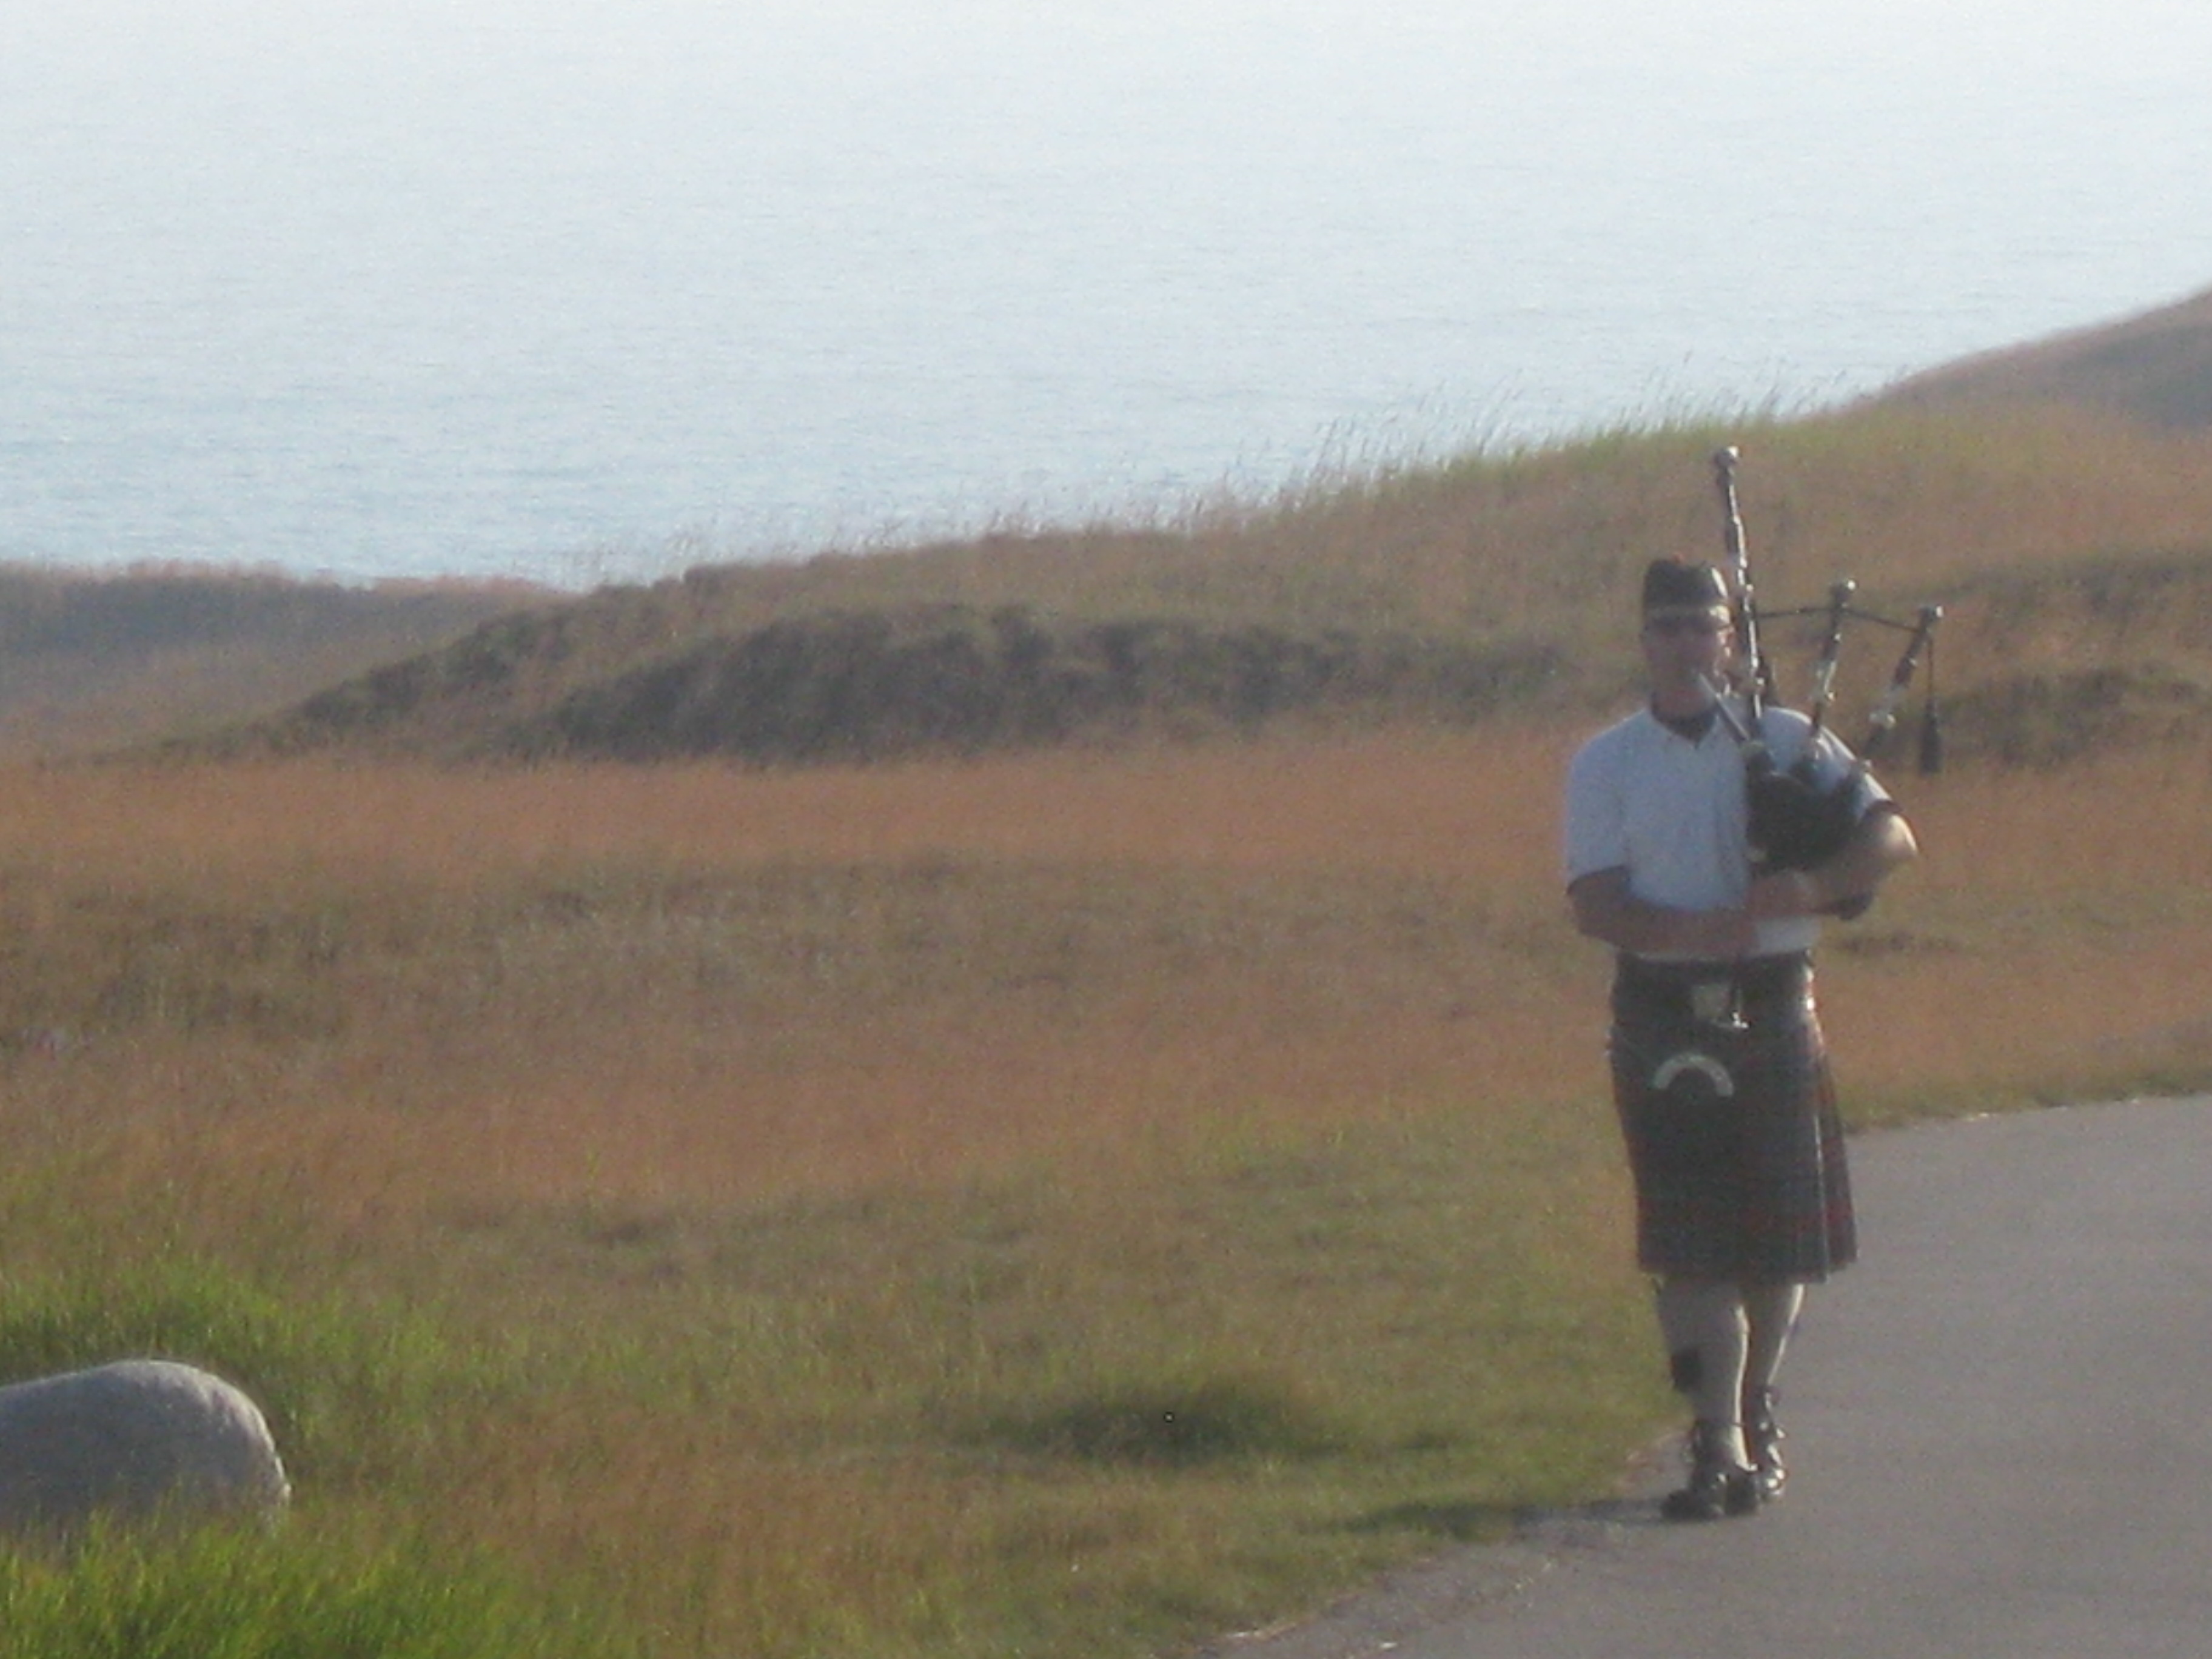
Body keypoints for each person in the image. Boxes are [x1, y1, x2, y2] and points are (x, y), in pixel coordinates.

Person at [1561, 557, 1919, 1521]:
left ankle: (1756, 1412)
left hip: (1774, 1001)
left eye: (1703, 626)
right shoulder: (1606, 762)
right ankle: (1713, 1437)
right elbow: (1595, 903)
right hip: (1662, 1008)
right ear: (1645, 641)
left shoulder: (1788, 738)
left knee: (1777, 1243)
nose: (1687, 644)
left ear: (1730, 637)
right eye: (1669, 626)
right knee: (1691, 1242)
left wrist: (1808, 887)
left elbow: (1891, 839)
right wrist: (1692, 932)